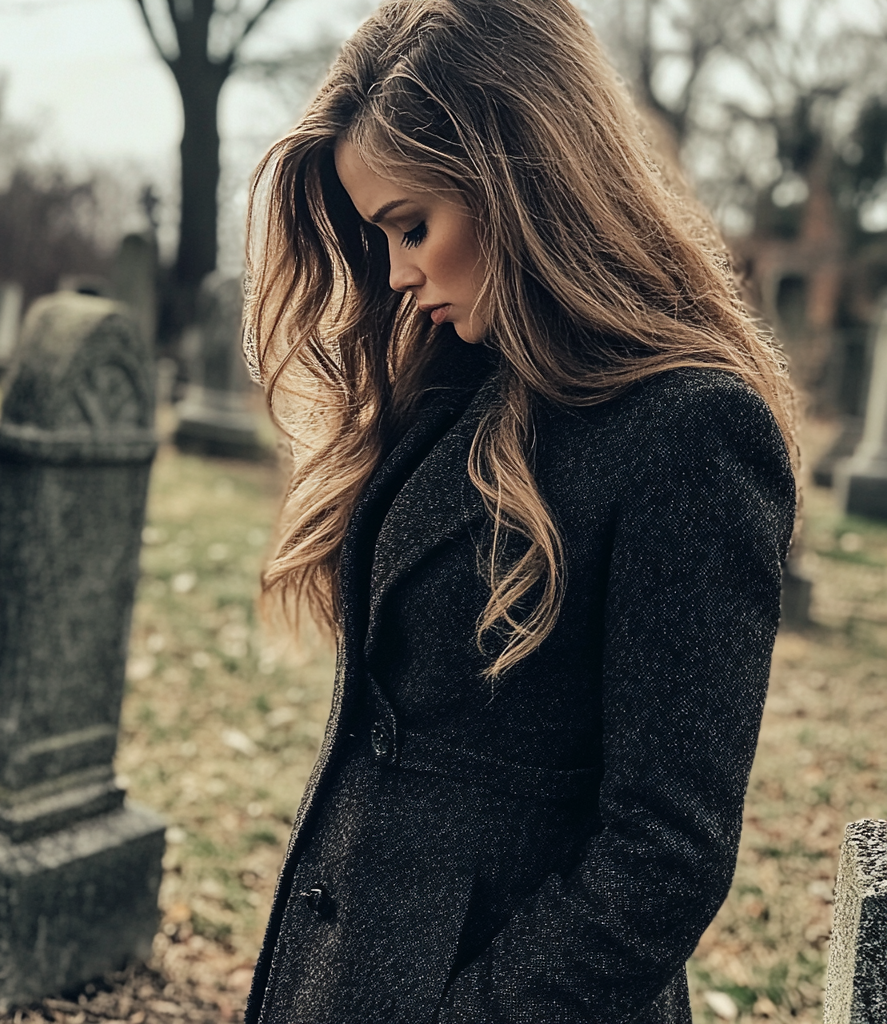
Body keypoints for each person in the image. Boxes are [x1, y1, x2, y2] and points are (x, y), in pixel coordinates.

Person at [241, 0, 797, 1020]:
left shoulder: (693, 433)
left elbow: (664, 855)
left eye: (413, 226)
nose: (400, 273)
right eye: (382, 237)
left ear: (519, 177)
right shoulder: (455, 387)